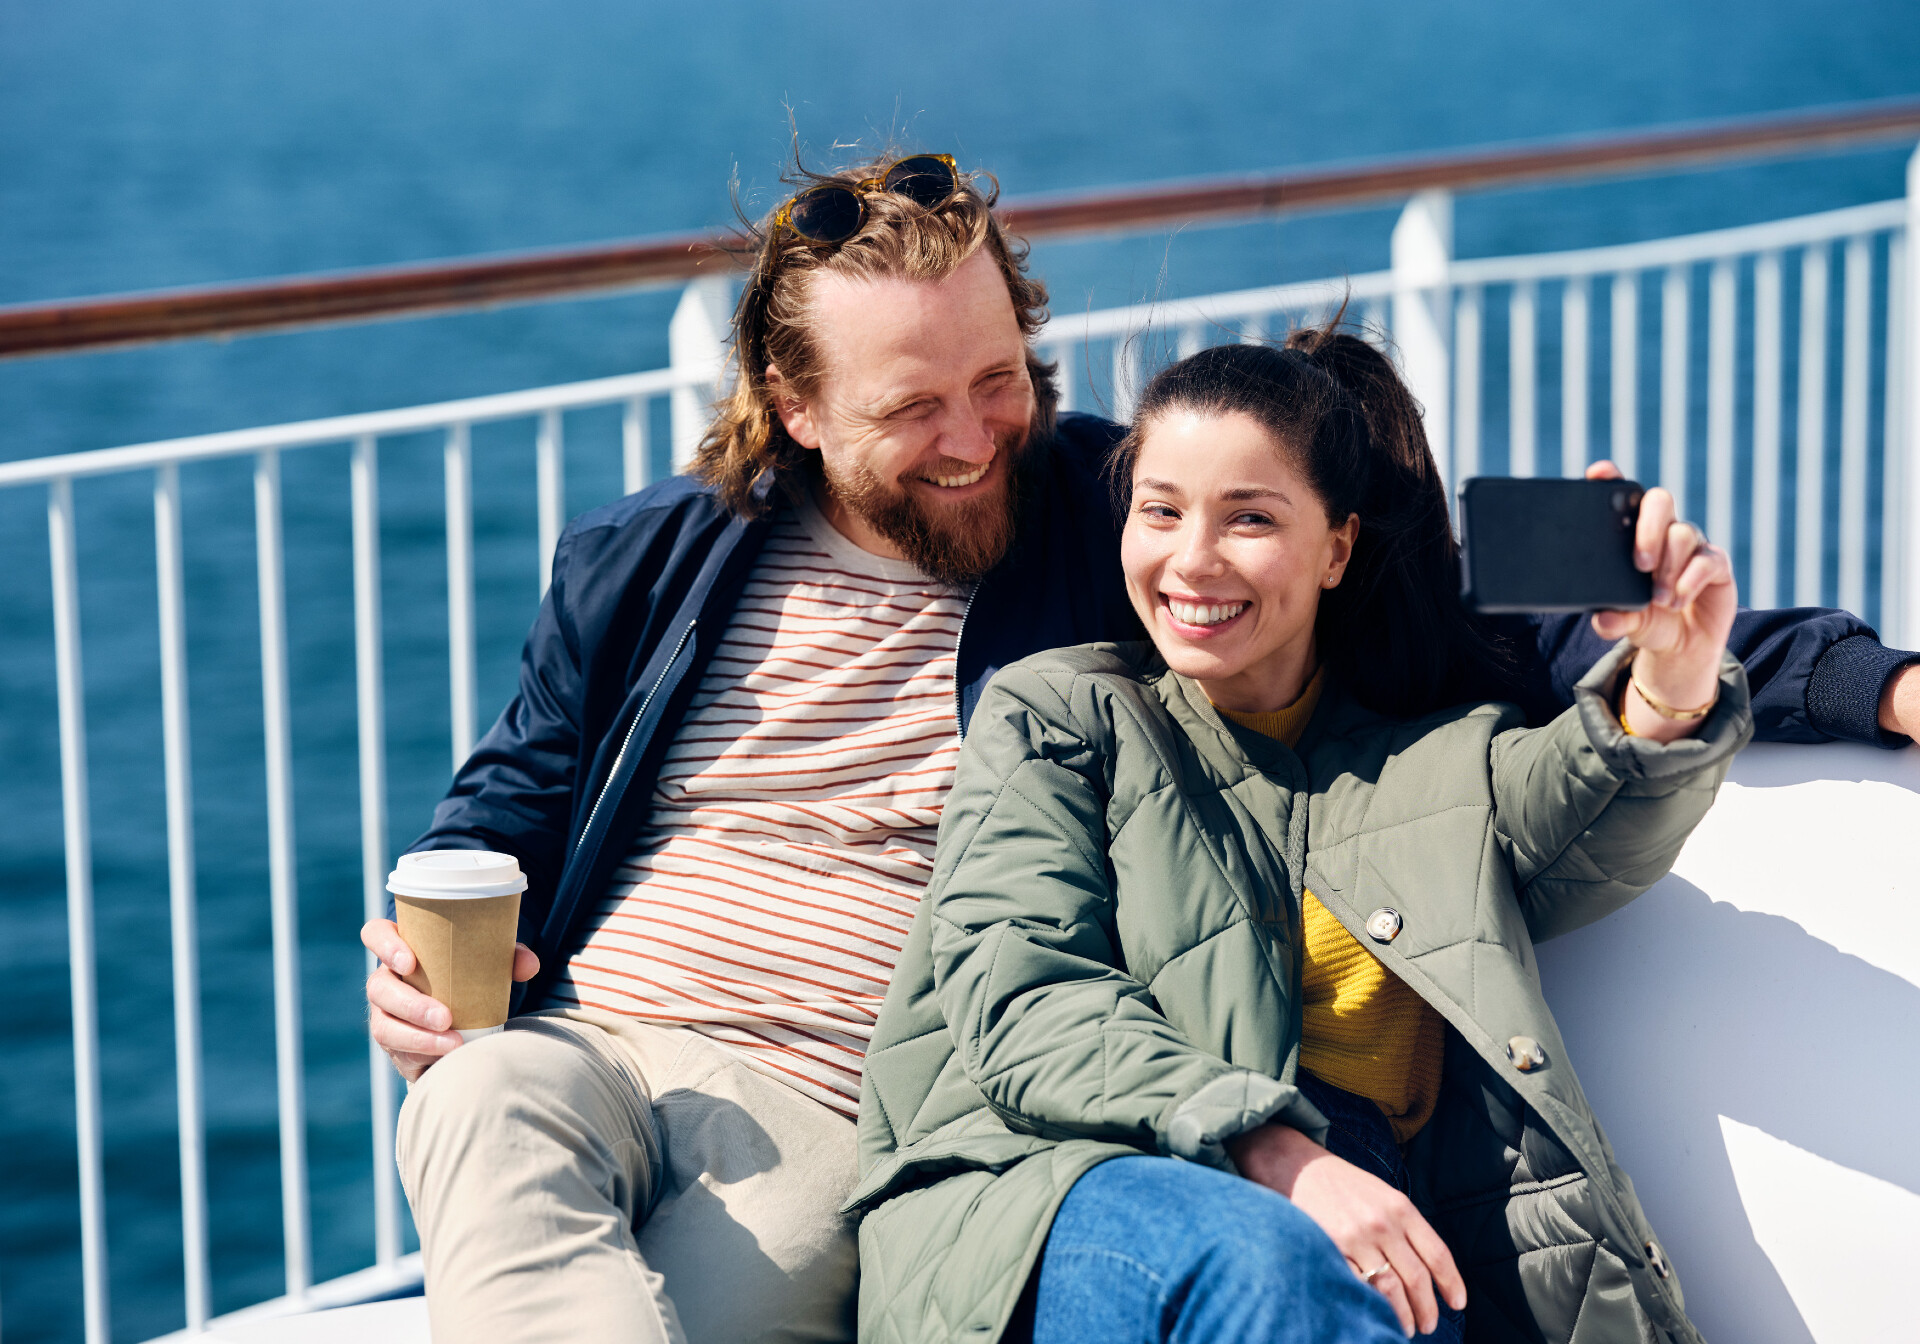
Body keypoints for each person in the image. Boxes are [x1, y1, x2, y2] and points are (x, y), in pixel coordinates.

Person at [359, 149, 1915, 1344]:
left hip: (827, 1100)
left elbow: (1488, 624)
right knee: (475, 1099)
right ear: (796, 402)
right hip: (601, 1037)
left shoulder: (1118, 518)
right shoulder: (648, 560)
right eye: (919, 407)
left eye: (1002, 378)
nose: (978, 438)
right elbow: (512, 796)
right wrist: (427, 950)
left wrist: (1872, 684)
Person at [850, 330, 1747, 1344]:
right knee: (1270, 1259)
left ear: (1337, 548)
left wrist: (1677, 671)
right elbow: (1025, 1000)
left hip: (1370, 1232)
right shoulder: (1058, 713)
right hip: (1057, 1190)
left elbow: (1595, 801)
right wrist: (1278, 1153)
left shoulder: (1440, 762)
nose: (1192, 559)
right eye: (1161, 511)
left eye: (1249, 519)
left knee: (1335, 1278)